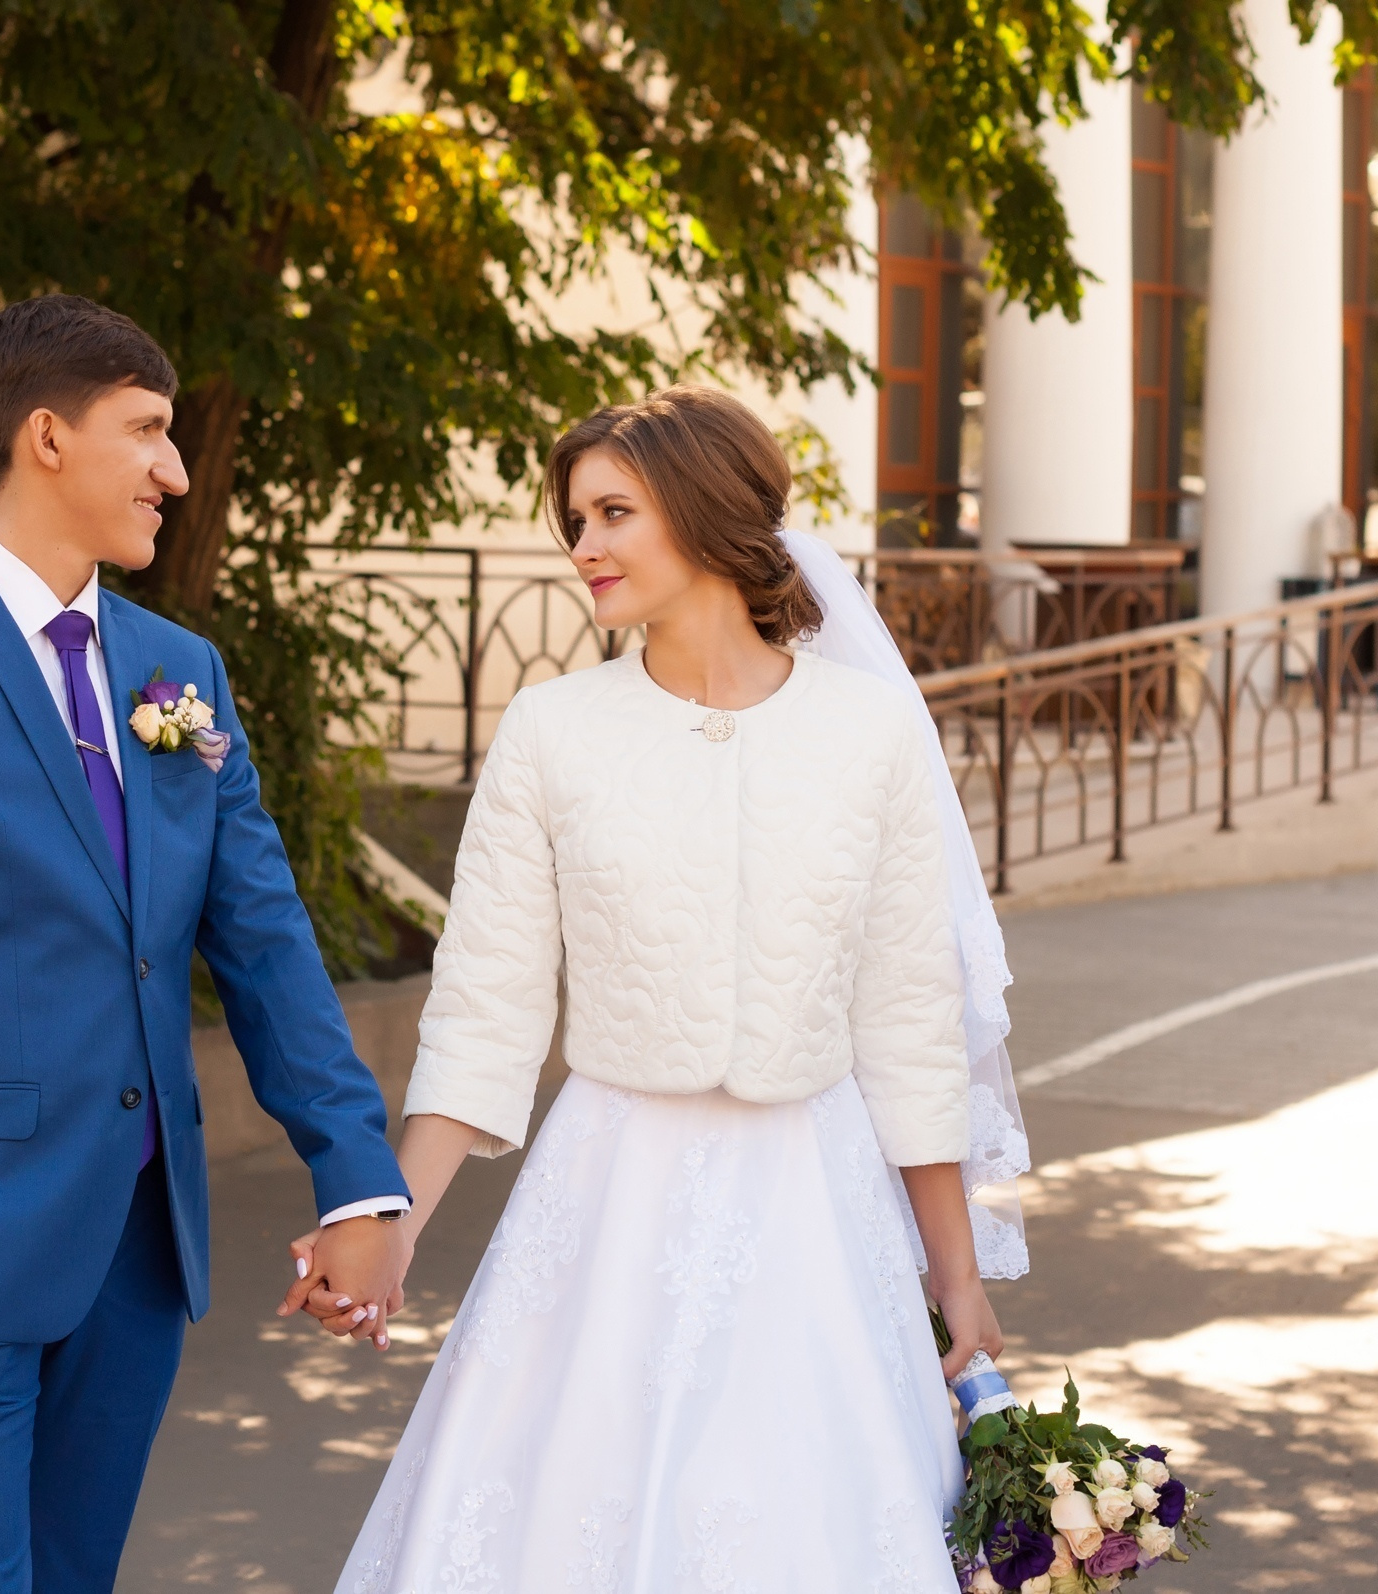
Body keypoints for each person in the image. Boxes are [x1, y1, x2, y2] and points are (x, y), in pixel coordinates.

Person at [287, 385, 1032, 1590]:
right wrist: (389, 1226)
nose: (583, 545)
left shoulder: (873, 731)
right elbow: (483, 1011)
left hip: (818, 1209)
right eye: (574, 516)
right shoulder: (551, 731)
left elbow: (908, 1024)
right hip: (606, 1201)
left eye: (614, 512)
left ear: (706, 509)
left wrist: (956, 1284)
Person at [0, 294, 413, 1593]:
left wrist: (356, 1174)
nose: (175, 467)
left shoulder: (181, 676)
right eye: (147, 430)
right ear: (45, 437)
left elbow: (264, 939)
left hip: (135, 1256)